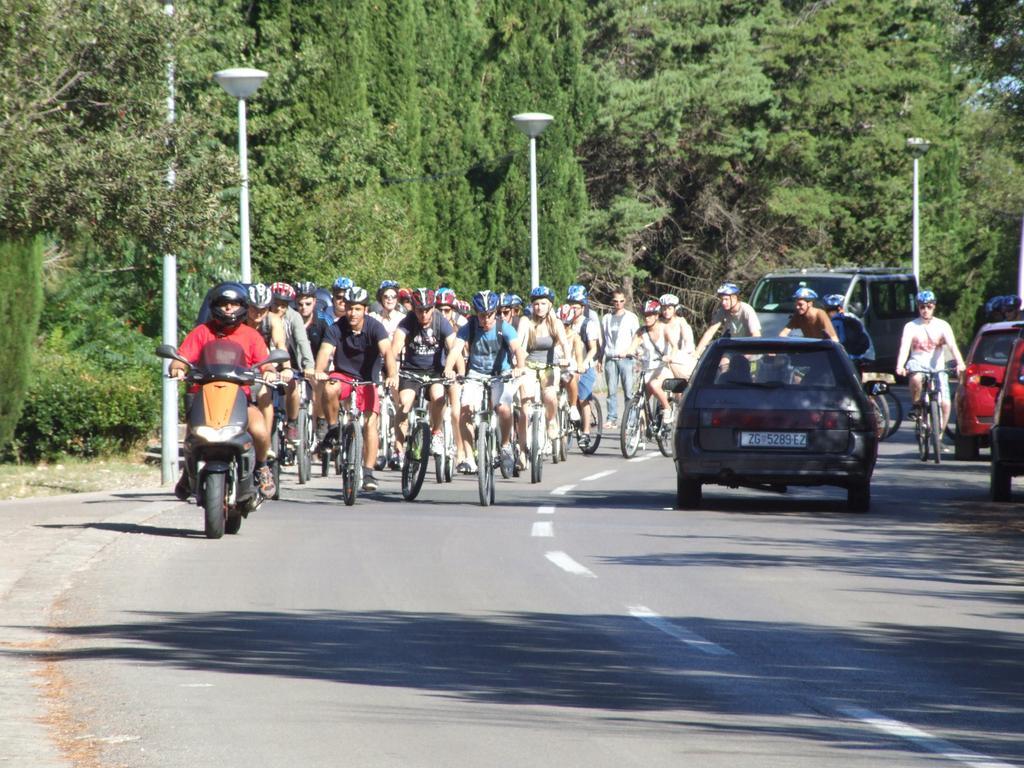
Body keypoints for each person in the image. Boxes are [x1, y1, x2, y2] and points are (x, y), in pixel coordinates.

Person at [170, 282, 277, 499]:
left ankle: (262, 468)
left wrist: (269, 371)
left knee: (260, 431)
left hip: (239, 399)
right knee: (193, 433)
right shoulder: (202, 332)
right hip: (205, 397)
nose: (229, 309)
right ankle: (188, 473)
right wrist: (178, 368)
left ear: (242, 307)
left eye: (234, 304)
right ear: (215, 306)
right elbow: (180, 359)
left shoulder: (251, 335)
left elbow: (266, 363)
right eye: (224, 304)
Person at [314, 285, 399, 493]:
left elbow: (387, 351)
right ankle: (333, 428)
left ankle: (368, 471)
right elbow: (325, 351)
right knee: (329, 388)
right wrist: (319, 370)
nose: (352, 313)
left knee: (371, 422)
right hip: (343, 375)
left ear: (365, 310)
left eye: (357, 309)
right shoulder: (336, 327)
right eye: (350, 308)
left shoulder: (374, 327)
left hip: (367, 379)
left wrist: (392, 374)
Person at [443, 290, 527, 476]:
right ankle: (470, 457)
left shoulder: (504, 327)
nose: (486, 320)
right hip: (476, 374)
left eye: (489, 315)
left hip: (501, 374)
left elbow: (517, 349)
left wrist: (519, 367)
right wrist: (449, 368)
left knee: (504, 409)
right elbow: (456, 349)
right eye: (482, 315)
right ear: (476, 314)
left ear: (495, 312)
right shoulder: (469, 327)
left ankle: (505, 445)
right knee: (465, 410)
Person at [392, 288, 458, 460]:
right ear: (413, 308)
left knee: (438, 397)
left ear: (433, 308)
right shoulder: (407, 322)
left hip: (435, 371)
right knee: (404, 404)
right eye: (420, 310)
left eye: (427, 309)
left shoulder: (441, 321)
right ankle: (398, 449)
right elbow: (395, 346)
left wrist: (452, 369)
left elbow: (453, 346)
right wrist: (391, 371)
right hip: (411, 371)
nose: (423, 314)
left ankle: (436, 432)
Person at [895, 290, 966, 435]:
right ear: (918, 307)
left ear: (934, 306)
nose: (925, 310)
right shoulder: (911, 326)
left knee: (945, 404)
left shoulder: (942, 325)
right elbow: (904, 347)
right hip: (918, 363)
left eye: (929, 306)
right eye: (922, 307)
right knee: (915, 378)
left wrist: (960, 363)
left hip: (937, 367)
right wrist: (900, 365)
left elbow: (952, 346)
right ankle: (916, 405)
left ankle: (939, 434)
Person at [517, 285, 572, 458]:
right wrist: (516, 362)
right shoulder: (526, 322)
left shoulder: (555, 323)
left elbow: (564, 343)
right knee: (524, 407)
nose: (539, 307)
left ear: (549, 305)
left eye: (543, 304)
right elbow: (518, 344)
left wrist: (567, 358)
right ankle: (522, 451)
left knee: (549, 396)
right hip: (529, 366)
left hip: (549, 366)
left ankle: (550, 421)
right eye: (536, 304)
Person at [269, 282, 315, 443]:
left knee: (292, 386)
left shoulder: (294, 317)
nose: (279, 309)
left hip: (289, 361)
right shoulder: (262, 314)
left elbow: (303, 342)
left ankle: (292, 423)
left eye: (283, 306)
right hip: (265, 361)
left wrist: (309, 366)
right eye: (276, 304)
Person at [624, 299, 678, 420]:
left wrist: (670, 357)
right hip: (647, 370)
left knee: (654, 385)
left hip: (662, 369)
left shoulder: (664, 328)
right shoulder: (641, 331)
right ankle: (639, 433)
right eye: (645, 315)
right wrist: (626, 353)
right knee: (641, 402)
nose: (647, 318)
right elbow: (632, 346)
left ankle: (667, 408)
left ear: (656, 315)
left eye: (649, 315)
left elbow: (675, 347)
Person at [566, 285, 601, 446]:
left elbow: (593, 348)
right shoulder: (564, 322)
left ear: (583, 306)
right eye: (571, 305)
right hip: (568, 364)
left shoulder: (588, 324)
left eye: (576, 306)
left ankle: (586, 432)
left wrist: (585, 363)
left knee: (582, 398)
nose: (573, 309)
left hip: (584, 365)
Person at [295, 281, 330, 438]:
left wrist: (319, 369)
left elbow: (332, 345)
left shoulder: (324, 320)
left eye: (308, 303)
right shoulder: (289, 318)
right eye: (300, 304)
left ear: (315, 302)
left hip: (318, 364)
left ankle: (321, 419)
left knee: (319, 388)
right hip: (294, 365)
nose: (304, 308)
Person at [601, 289, 639, 429]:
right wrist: (600, 358)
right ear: (612, 301)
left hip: (627, 359)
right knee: (611, 391)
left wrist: (634, 354)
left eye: (621, 301)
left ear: (625, 301)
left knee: (628, 391)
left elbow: (637, 337)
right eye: (616, 301)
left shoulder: (631, 318)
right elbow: (603, 340)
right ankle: (611, 418)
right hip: (610, 357)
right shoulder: (606, 318)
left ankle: (631, 419)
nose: (619, 304)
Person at [694, 282, 762, 358]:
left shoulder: (747, 310)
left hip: (750, 350)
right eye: (722, 299)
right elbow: (710, 332)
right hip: (734, 348)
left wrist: (746, 356)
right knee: (721, 365)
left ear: (734, 298)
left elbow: (756, 336)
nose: (723, 302)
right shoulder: (723, 311)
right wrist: (697, 352)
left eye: (726, 299)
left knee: (739, 365)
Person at [823, 294, 874, 363]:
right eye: (826, 310)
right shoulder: (850, 316)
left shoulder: (840, 319)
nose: (827, 313)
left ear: (840, 309)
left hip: (858, 357)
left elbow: (841, 341)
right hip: (866, 355)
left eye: (830, 310)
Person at [658, 292, 697, 380]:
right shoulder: (659, 322)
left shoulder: (681, 321)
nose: (666, 311)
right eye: (664, 308)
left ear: (675, 309)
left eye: (669, 308)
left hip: (679, 357)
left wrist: (684, 353)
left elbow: (688, 341)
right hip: (662, 358)